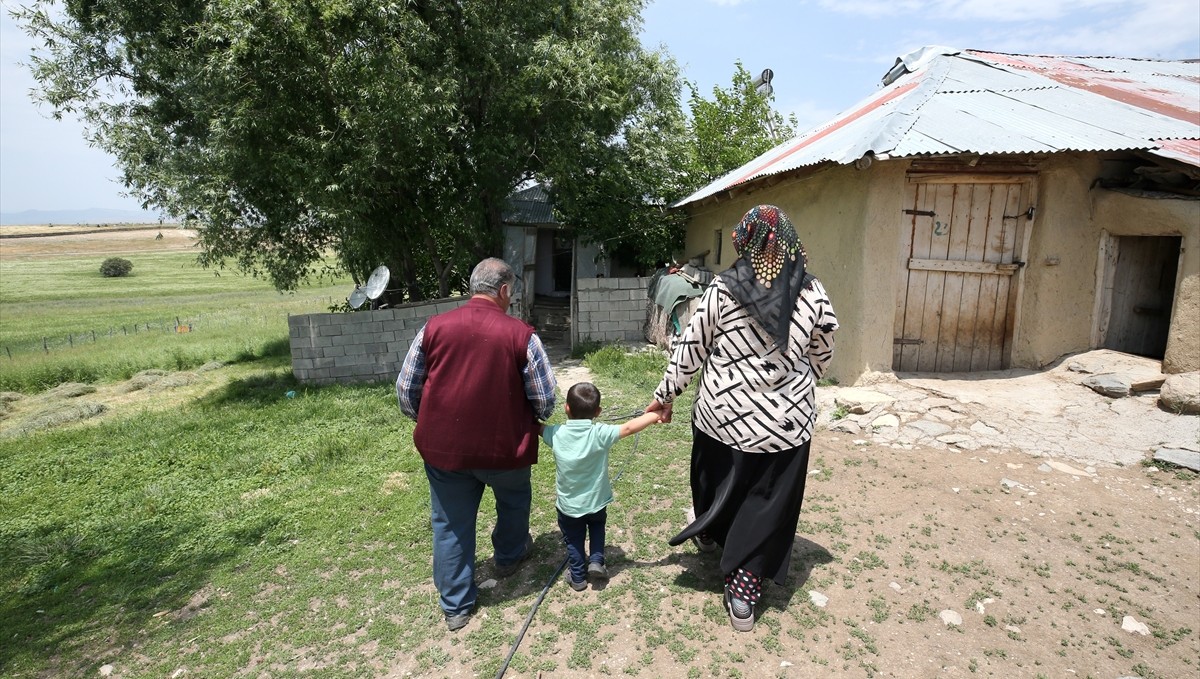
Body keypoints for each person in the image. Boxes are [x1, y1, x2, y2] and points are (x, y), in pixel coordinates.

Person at [646, 205, 839, 632]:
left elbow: (692, 347)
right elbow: (823, 351)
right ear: (788, 242)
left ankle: (718, 537)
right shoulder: (813, 292)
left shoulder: (721, 290)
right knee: (769, 499)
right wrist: (801, 377)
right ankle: (745, 582)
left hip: (724, 416)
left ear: (746, 242)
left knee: (714, 476)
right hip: (786, 423)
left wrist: (665, 394)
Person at [396, 257, 557, 632]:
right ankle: (509, 555)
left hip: (445, 453)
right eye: (511, 292)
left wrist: (433, 422)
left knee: (450, 523)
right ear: (503, 291)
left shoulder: (433, 328)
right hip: (506, 449)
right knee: (514, 501)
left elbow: (406, 391)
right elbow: (546, 399)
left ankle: (456, 606)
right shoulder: (522, 335)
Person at [541, 382, 661, 591]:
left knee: (574, 539)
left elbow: (538, 428)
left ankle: (578, 578)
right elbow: (629, 427)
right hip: (597, 501)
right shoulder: (600, 433)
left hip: (568, 505)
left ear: (566, 408)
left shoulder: (556, 434)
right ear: (598, 412)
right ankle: (596, 560)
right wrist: (655, 415)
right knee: (597, 528)